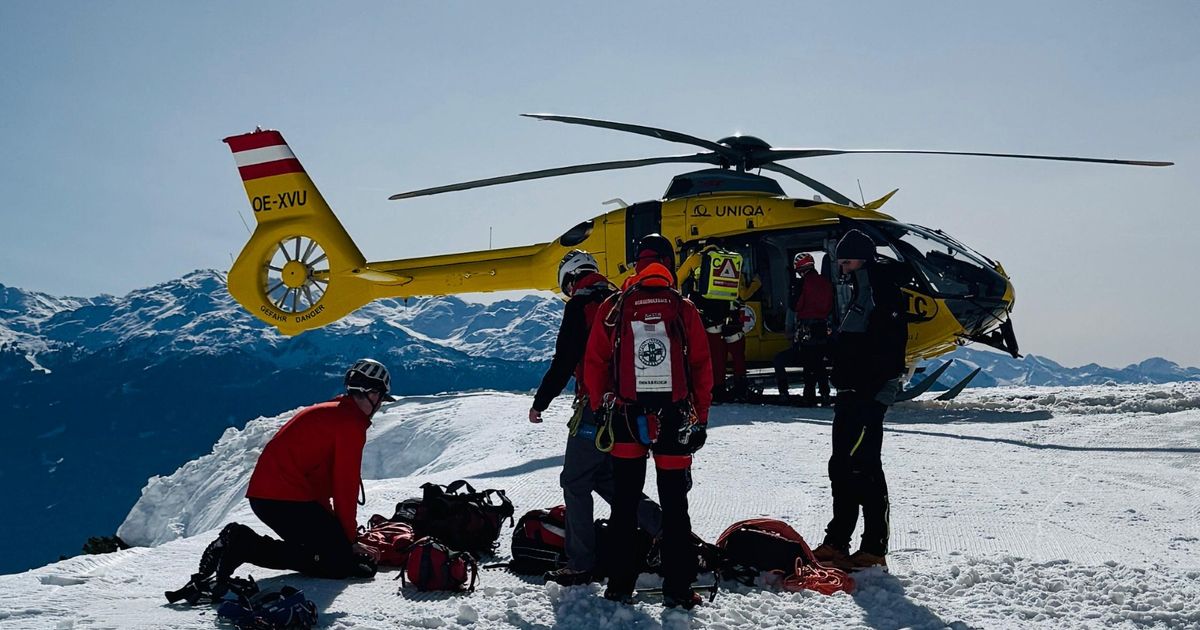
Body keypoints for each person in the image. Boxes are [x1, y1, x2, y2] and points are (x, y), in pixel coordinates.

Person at [584, 233, 713, 609]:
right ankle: (677, 587)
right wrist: (700, 417)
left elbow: (595, 362)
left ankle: (620, 585)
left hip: (626, 417)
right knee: (675, 506)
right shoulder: (682, 307)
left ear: (636, 264)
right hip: (674, 419)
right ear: (669, 263)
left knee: (624, 503)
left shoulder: (616, 306)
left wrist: (598, 404)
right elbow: (702, 366)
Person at [194, 359, 395, 587]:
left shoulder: (331, 413)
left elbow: (318, 482)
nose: (379, 406)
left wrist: (340, 536)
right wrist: (347, 540)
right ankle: (242, 543)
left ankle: (241, 544)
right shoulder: (350, 424)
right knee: (338, 563)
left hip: (272, 498)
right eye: (380, 399)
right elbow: (344, 487)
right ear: (372, 393)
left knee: (338, 556)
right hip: (284, 499)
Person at [528, 250, 663, 586]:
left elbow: (565, 360)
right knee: (606, 478)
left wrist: (540, 403)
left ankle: (580, 562)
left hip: (596, 408)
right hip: (631, 406)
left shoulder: (580, 305)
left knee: (575, 481)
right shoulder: (625, 298)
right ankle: (668, 532)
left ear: (571, 280)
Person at [811, 230, 908, 572]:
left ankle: (874, 547)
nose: (842, 267)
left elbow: (888, 348)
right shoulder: (860, 290)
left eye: (847, 260)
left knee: (864, 467)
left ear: (862, 259)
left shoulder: (882, 290)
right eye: (840, 261)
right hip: (852, 393)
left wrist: (867, 388)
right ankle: (838, 541)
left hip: (868, 394)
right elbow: (857, 341)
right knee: (841, 465)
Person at [772, 252, 834, 406]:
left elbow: (796, 305)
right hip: (822, 329)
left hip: (807, 330)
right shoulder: (826, 282)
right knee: (818, 362)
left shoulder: (802, 284)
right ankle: (825, 394)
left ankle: (806, 395)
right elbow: (830, 306)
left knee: (807, 363)